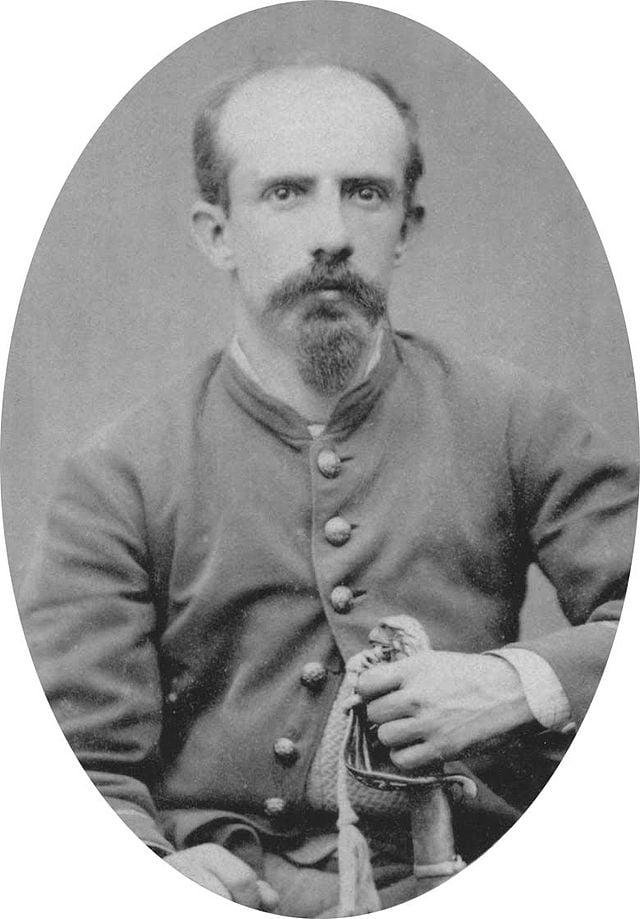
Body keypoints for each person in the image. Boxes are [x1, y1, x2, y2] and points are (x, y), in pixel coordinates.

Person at [19, 62, 637, 916]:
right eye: (286, 193)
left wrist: (520, 680)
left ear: (406, 227)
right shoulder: (120, 475)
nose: (333, 233)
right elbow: (74, 769)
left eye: (366, 193)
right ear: (216, 233)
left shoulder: (515, 419)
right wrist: (154, 869)